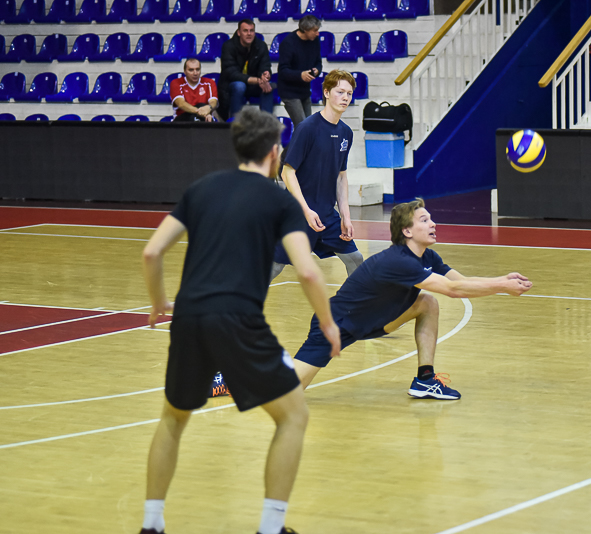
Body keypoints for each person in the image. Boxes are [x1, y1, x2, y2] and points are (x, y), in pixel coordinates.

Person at [139, 108, 340, 534]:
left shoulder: (201, 189)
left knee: (173, 418)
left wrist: (159, 302)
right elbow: (308, 272)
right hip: (238, 319)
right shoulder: (280, 201)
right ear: (273, 152)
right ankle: (271, 527)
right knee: (293, 417)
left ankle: (151, 525)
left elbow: (152, 252)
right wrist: (328, 322)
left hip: (188, 318)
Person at [292, 198, 534, 400]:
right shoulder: (399, 261)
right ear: (407, 231)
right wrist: (502, 286)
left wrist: (502, 279)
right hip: (336, 325)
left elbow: (461, 281)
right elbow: (453, 290)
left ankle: (425, 380)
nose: (433, 223)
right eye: (424, 220)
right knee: (286, 392)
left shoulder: (428, 257)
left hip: (375, 321)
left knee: (427, 303)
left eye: (431, 219)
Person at [270, 70, 363, 283]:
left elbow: (341, 177)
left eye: (349, 93)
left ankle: (352, 303)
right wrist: (306, 210)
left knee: (356, 259)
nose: (345, 97)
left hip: (327, 217)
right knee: (274, 267)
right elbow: (287, 172)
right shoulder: (307, 128)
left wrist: (346, 217)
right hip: (298, 214)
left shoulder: (346, 133)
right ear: (327, 93)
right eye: (340, 92)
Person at [219, 19, 274, 120]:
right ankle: (235, 122)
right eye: (245, 31)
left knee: (267, 87)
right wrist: (257, 80)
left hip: (254, 84)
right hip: (231, 85)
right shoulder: (228, 46)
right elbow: (231, 73)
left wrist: (265, 75)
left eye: (251, 31)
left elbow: (265, 66)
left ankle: (267, 122)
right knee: (239, 86)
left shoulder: (261, 46)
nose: (249, 34)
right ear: (239, 33)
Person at [277, 15, 323, 128]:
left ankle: (296, 141)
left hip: (304, 90)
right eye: (315, 30)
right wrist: (300, 75)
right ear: (305, 29)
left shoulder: (314, 40)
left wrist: (317, 70)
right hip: (289, 91)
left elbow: (318, 62)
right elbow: (283, 71)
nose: (317, 33)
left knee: (308, 127)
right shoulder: (288, 43)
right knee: (303, 127)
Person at [170, 58, 218, 122]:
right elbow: (181, 103)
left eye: (197, 69)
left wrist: (209, 107)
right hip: (182, 120)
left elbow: (213, 102)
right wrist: (200, 112)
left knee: (203, 112)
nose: (195, 73)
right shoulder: (176, 83)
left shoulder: (209, 83)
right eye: (191, 70)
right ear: (185, 71)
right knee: (200, 107)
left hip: (204, 119)